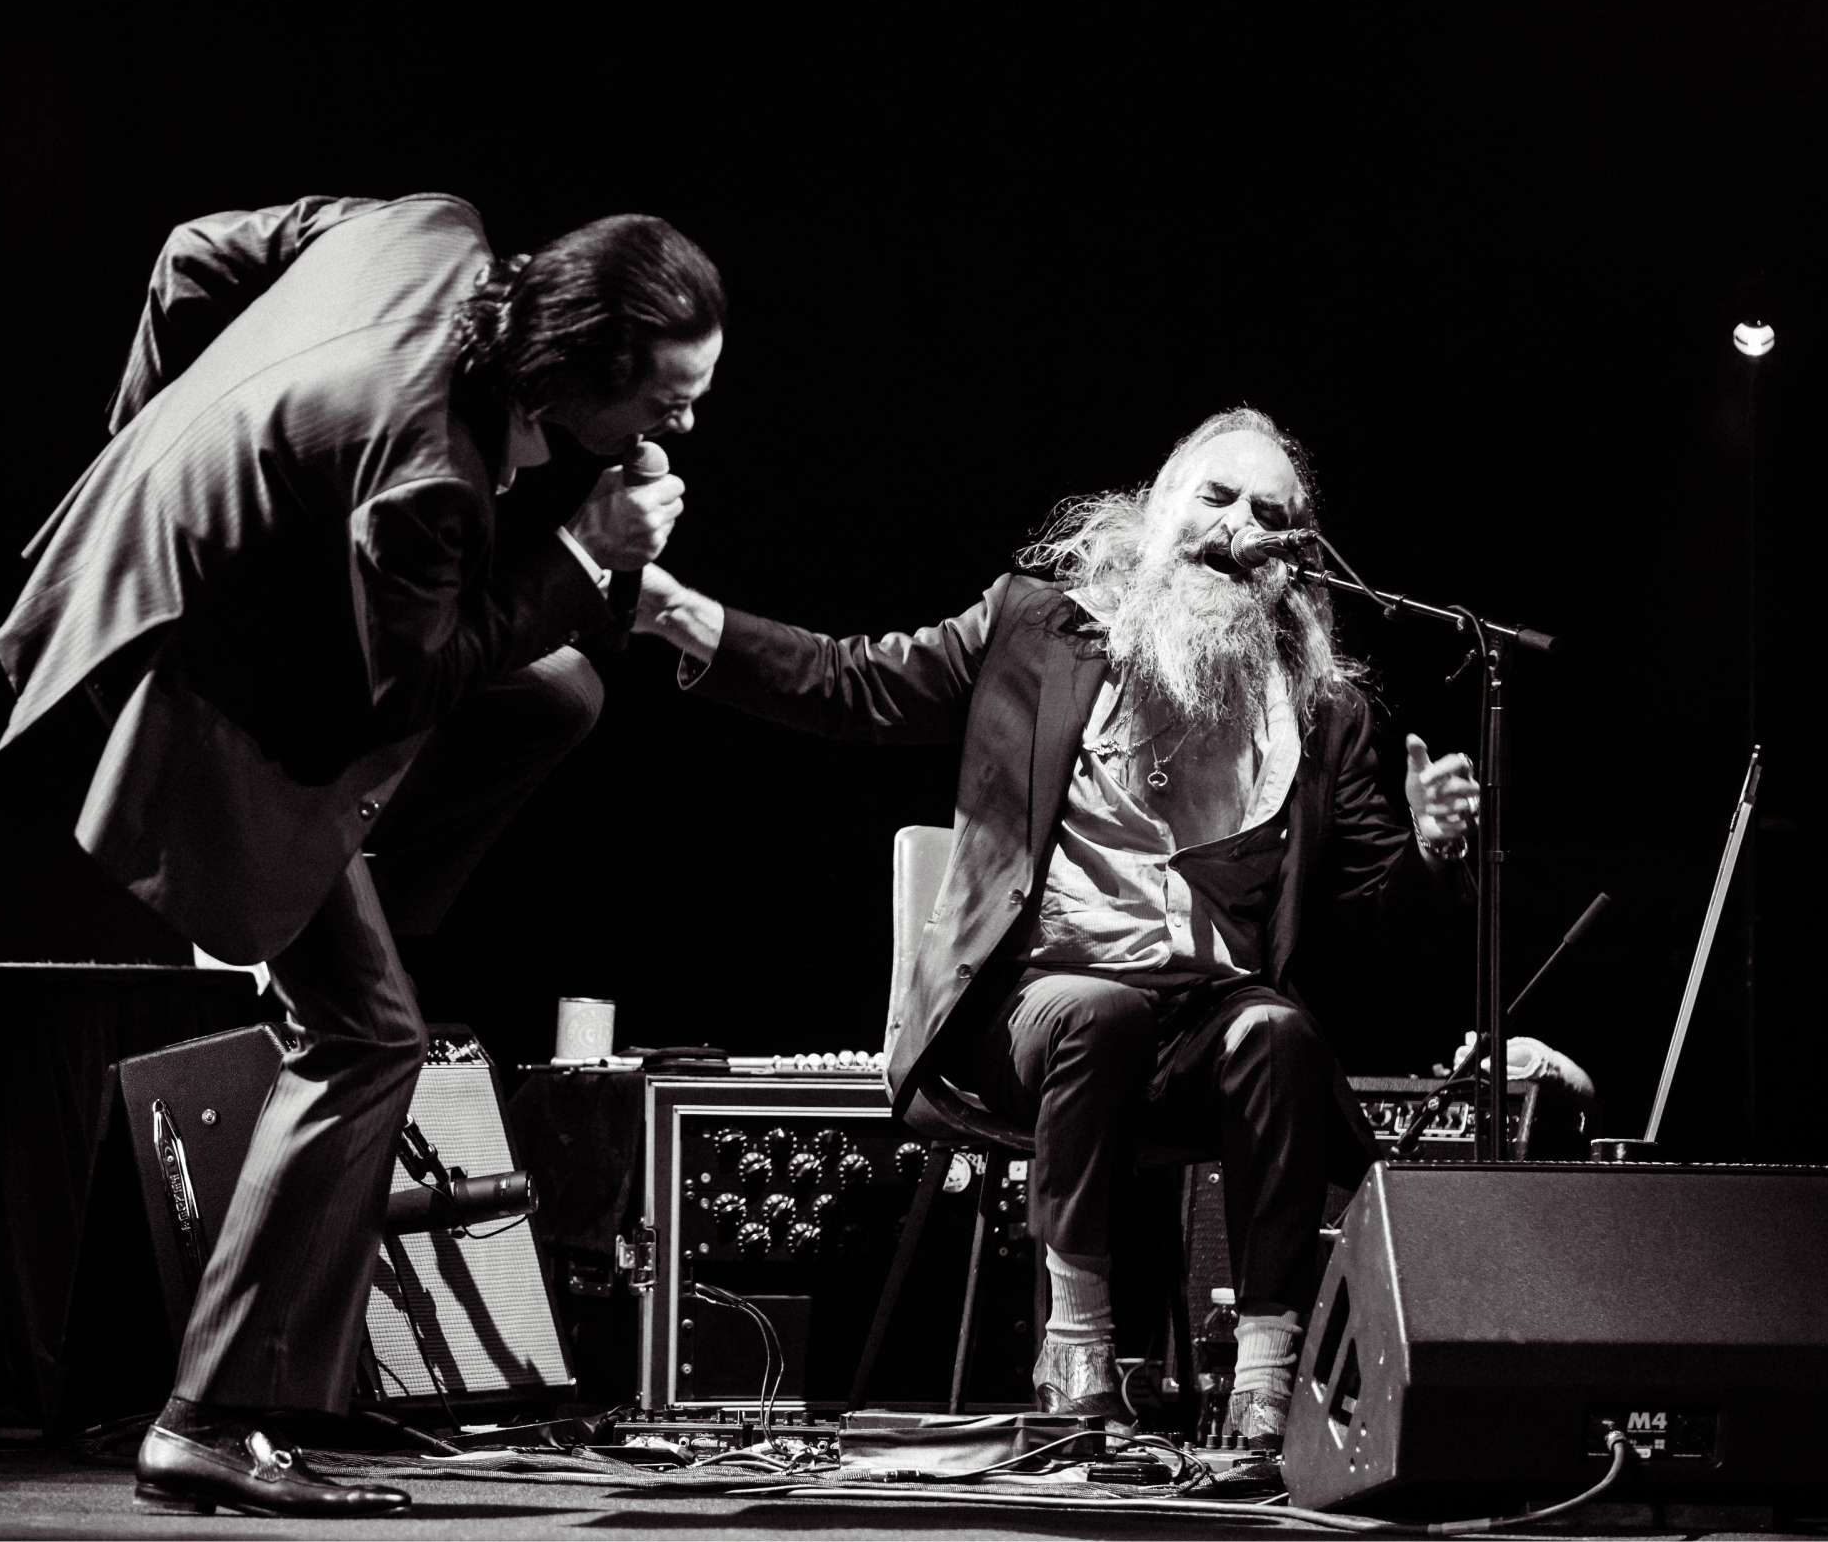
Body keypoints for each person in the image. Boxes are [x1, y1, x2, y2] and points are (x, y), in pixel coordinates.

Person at [0, 193, 723, 1516]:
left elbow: (188, 254)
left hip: (171, 578)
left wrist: (153, 436)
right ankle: (209, 1417)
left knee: (560, 695)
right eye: (668, 400)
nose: (680, 429)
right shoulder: (432, 474)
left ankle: (339, 878)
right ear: (579, 372)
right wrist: (580, 554)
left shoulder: (436, 230)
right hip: (194, 687)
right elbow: (403, 690)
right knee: (369, 1037)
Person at [633, 407, 1477, 1448]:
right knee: (1099, 1011)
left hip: (1203, 1031)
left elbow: (1383, 921)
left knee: (1280, 1033)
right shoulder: (1035, 629)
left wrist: (1436, 849)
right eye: (1215, 496)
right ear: (1157, 510)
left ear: (1293, 562)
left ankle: (1266, 1370)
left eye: (1269, 513)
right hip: (1032, 1020)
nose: (1236, 525)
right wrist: (681, 616)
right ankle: (1074, 1344)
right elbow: (854, 683)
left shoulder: (1317, 710)